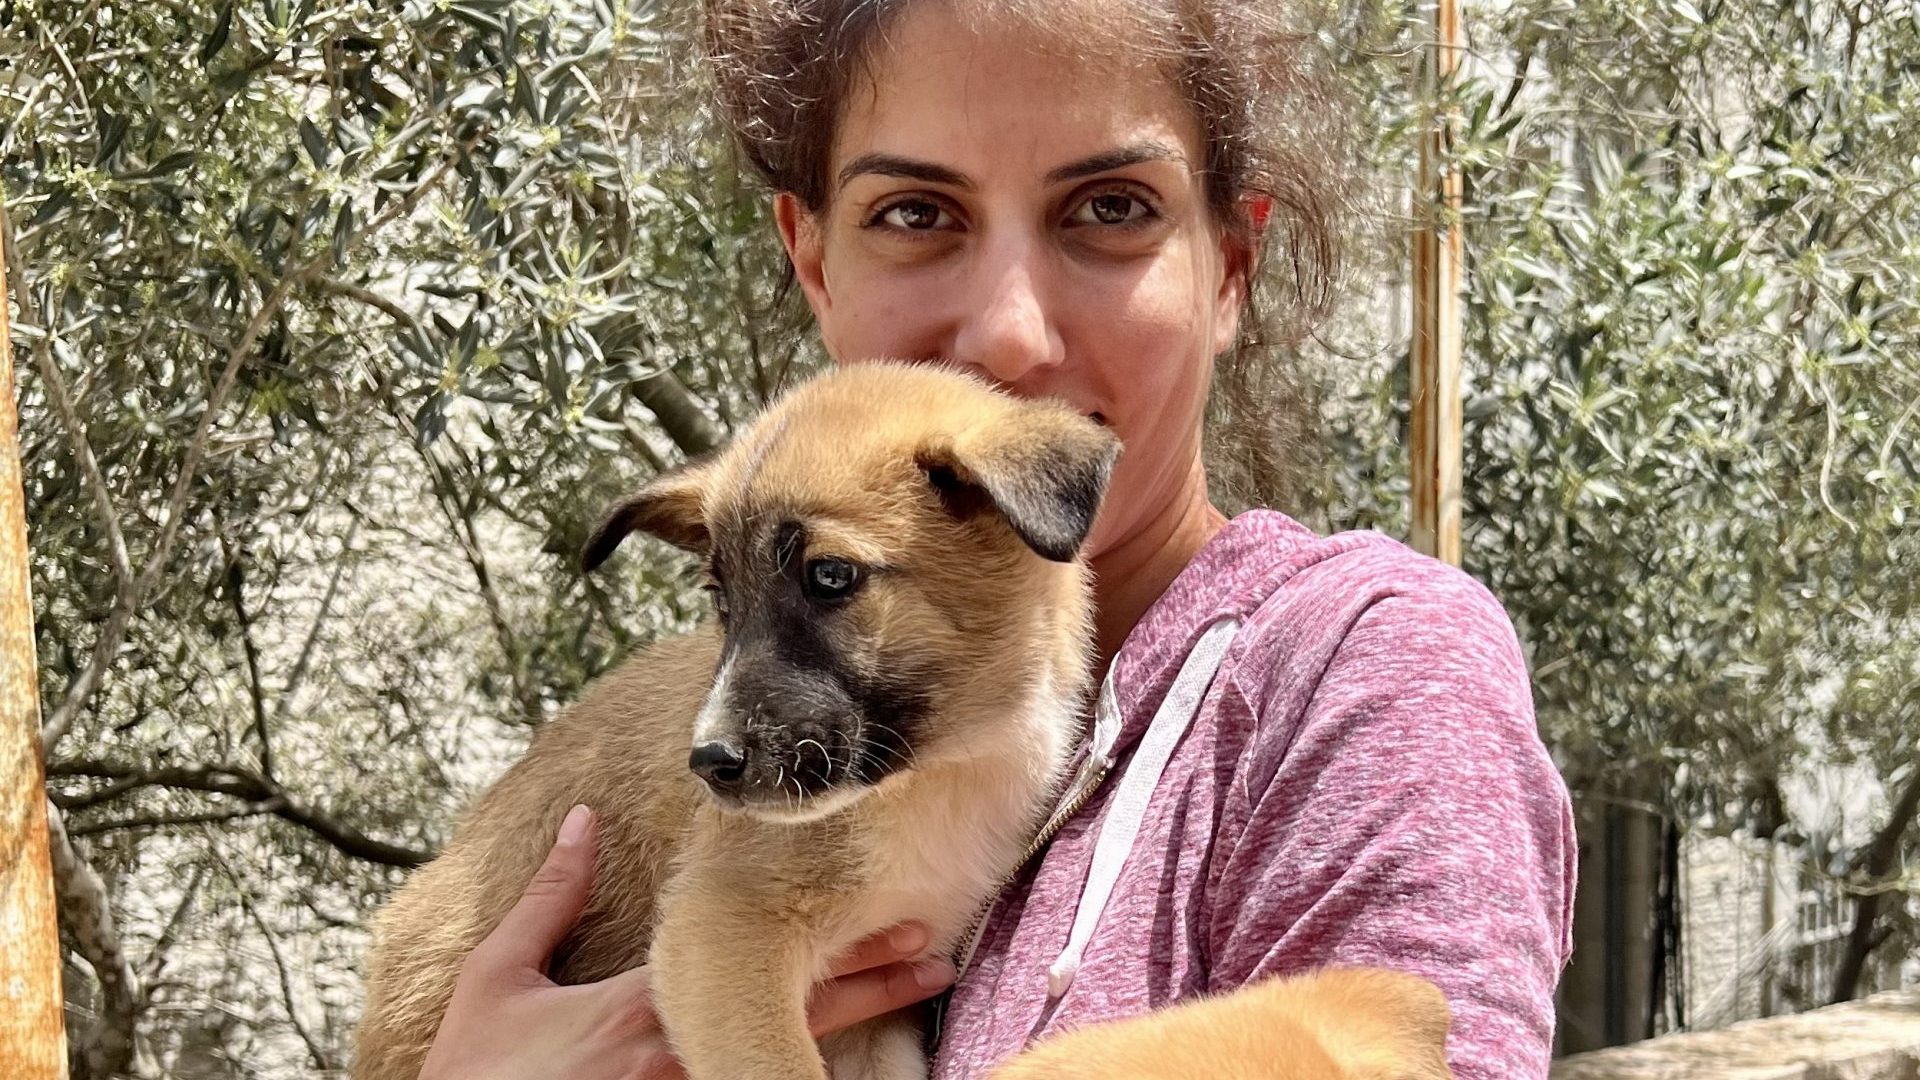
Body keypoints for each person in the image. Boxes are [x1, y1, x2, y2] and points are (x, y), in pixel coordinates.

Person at [416, 1, 1577, 1078]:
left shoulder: (1361, 675)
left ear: (1231, 265)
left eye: (1111, 208)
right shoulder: (826, 699)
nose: (1011, 336)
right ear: (813, 260)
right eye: (915, 214)